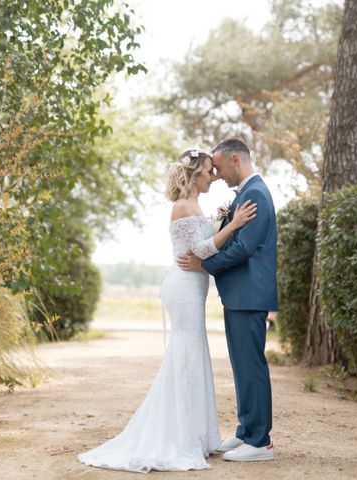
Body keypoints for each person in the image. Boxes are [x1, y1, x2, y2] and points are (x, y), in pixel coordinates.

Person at [77, 148, 257, 472]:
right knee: (186, 355)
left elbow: (202, 245)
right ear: (194, 175)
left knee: (193, 353)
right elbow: (199, 250)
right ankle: (181, 439)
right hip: (184, 288)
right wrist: (233, 225)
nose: (213, 176)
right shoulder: (183, 206)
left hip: (193, 287)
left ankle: (196, 436)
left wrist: (220, 221)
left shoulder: (194, 205)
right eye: (208, 171)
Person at [177, 138, 277, 462]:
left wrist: (205, 264)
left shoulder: (256, 194)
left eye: (218, 167)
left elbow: (243, 248)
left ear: (236, 159)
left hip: (249, 295)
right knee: (242, 366)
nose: (217, 174)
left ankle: (260, 442)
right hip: (240, 295)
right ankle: (247, 431)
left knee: (252, 366)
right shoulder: (247, 194)